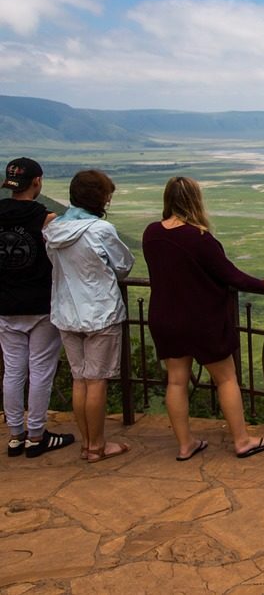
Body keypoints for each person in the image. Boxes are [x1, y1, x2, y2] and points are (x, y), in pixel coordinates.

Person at [142, 176, 264, 461]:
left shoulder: (151, 233)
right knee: (226, 379)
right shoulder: (200, 238)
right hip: (201, 320)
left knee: (177, 382)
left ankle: (185, 445)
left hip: (165, 318)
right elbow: (229, 275)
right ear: (195, 200)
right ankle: (241, 440)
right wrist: (262, 284)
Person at [44, 169, 135, 463]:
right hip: (100, 312)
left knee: (79, 379)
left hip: (65, 311)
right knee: (96, 381)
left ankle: (86, 443)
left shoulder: (54, 230)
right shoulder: (100, 231)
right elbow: (123, 265)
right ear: (100, 198)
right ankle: (97, 446)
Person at [0, 157, 76, 458]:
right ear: (38, 182)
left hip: (4, 304)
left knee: (13, 371)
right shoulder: (46, 219)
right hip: (41, 304)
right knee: (41, 370)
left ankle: (15, 435)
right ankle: (36, 435)